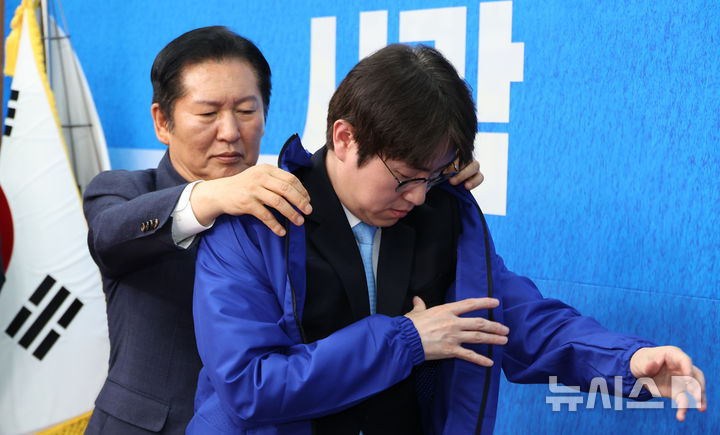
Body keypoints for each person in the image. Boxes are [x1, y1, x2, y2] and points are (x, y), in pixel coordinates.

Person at [189, 43, 706, 434]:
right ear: (345, 138)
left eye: (433, 176)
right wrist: (407, 340)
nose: (418, 197)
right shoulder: (254, 225)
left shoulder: (444, 214)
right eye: (405, 176)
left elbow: (515, 319)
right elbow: (250, 387)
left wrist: (628, 362)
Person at [82, 27, 483, 434]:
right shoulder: (123, 192)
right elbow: (108, 235)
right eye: (207, 113)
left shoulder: (288, 207)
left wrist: (433, 166)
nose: (230, 131)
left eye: (246, 110)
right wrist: (210, 197)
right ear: (162, 122)